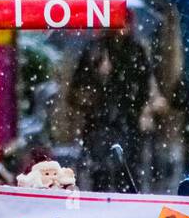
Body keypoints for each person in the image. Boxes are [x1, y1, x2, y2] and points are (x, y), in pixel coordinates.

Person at [69, 30, 165, 192]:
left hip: (127, 119)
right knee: (101, 172)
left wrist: (139, 108)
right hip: (100, 121)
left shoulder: (135, 49)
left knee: (128, 170)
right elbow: (78, 88)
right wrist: (98, 76)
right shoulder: (95, 49)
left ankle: (126, 206)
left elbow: (143, 83)